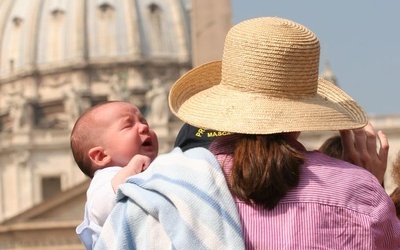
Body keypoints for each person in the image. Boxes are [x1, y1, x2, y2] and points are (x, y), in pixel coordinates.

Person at [97, 17, 400, 249]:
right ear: (303, 114)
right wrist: (368, 186)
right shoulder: (359, 192)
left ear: (222, 103)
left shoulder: (157, 190)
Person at [70, 101, 159, 249]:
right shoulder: (105, 178)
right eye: (128, 125)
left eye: (145, 123)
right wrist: (133, 168)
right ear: (100, 156)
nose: (144, 127)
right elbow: (102, 208)